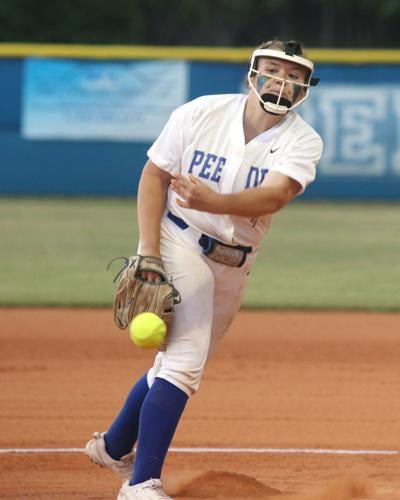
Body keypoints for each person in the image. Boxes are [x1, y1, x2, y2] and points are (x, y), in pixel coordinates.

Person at [85, 38, 323, 500]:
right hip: (179, 240)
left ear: (305, 88)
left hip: (235, 264)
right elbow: (153, 175)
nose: (282, 81)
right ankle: (141, 485)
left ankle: (113, 448)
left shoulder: (303, 140)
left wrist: (214, 200)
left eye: (294, 76)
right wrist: (148, 252)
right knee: (186, 363)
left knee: (174, 363)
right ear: (253, 73)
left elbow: (274, 196)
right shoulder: (201, 113)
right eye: (274, 69)